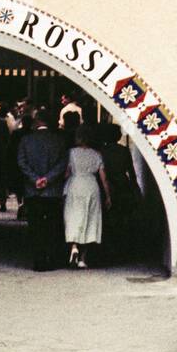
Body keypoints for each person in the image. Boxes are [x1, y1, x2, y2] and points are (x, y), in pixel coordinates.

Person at [17, 108, 68, 271]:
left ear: (38, 121)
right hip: (52, 191)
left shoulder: (26, 140)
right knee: (52, 226)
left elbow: (21, 162)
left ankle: (38, 259)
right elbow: (62, 163)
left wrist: (35, 179)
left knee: (35, 226)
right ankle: (51, 258)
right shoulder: (59, 140)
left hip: (32, 190)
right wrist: (48, 178)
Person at [63, 127, 111, 268]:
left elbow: (66, 173)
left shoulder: (71, 153)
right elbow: (104, 178)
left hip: (75, 185)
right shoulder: (97, 154)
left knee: (73, 216)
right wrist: (108, 196)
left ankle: (74, 246)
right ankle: (83, 259)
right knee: (90, 219)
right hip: (91, 186)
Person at [98, 123, 141, 262]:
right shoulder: (124, 150)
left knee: (107, 219)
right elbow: (131, 172)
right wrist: (135, 187)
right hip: (122, 185)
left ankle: (108, 249)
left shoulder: (101, 151)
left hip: (106, 185)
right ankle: (122, 249)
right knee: (123, 219)